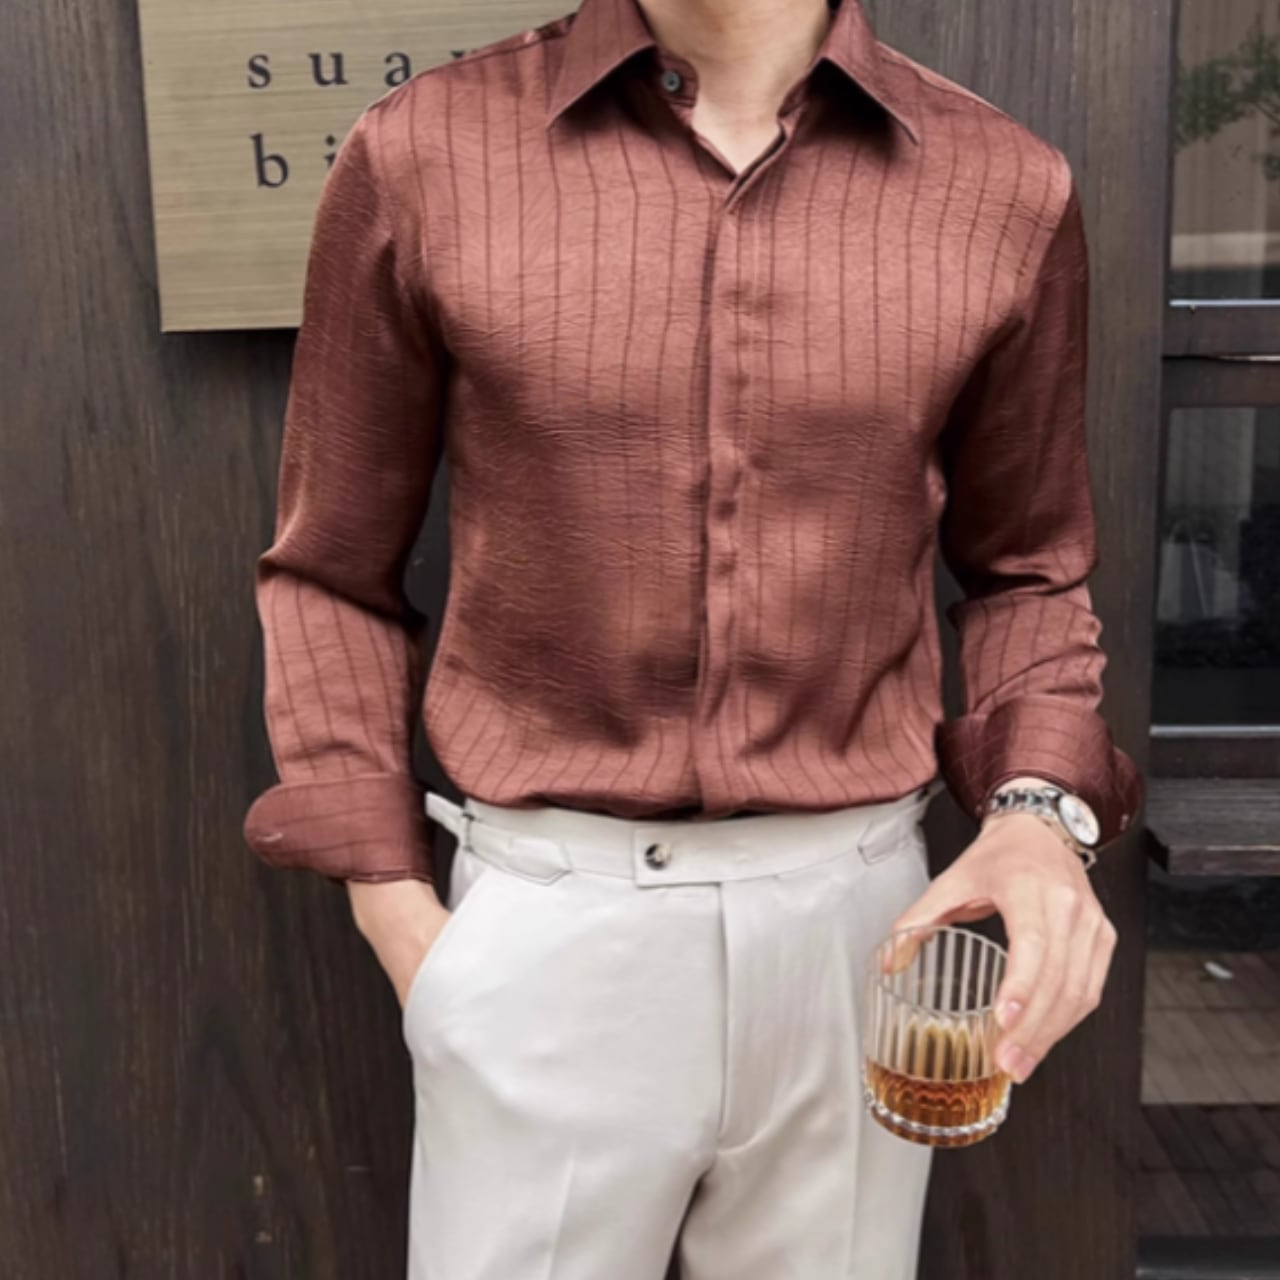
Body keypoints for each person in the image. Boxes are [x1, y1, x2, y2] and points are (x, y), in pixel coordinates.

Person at [242, 0, 1145, 1275]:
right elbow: (328, 571)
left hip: (860, 937)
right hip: (546, 929)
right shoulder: (423, 150)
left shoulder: (1002, 185)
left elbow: (1028, 568)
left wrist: (1037, 816)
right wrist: (406, 925)